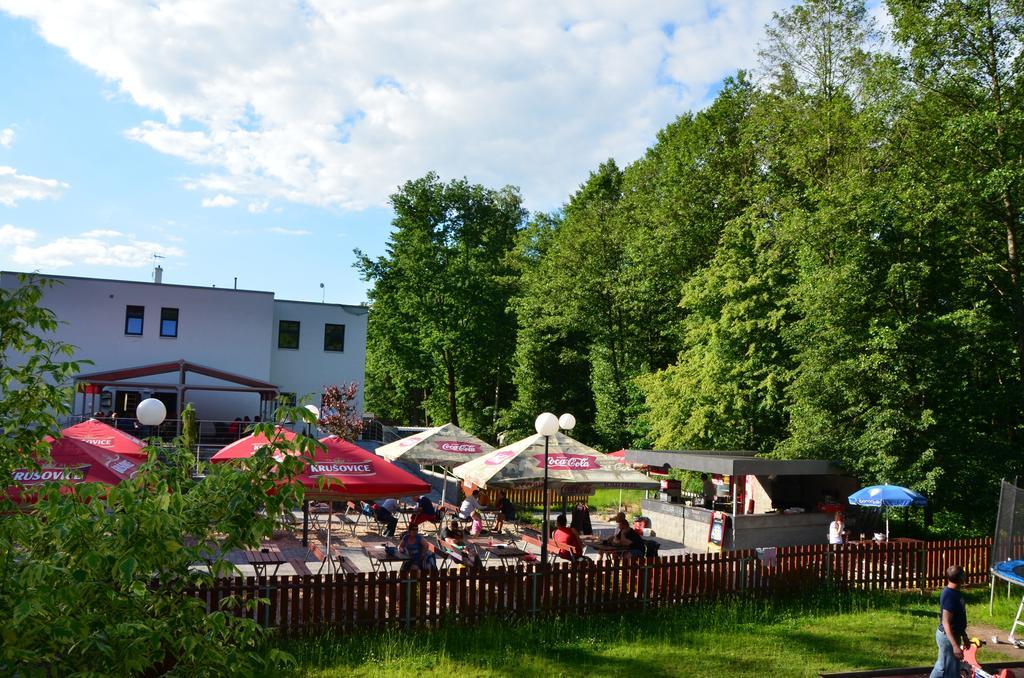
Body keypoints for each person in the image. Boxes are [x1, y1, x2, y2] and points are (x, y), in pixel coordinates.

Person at [930, 565, 968, 678]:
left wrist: (964, 635)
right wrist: (955, 646)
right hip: (948, 638)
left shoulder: (956, 592)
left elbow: (958, 618)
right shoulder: (949, 595)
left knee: (943, 666)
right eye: (963, 574)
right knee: (949, 670)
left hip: (954, 635)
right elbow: (946, 622)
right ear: (961, 577)